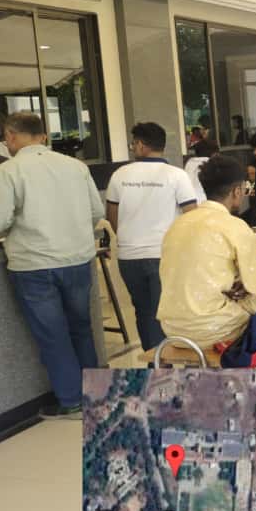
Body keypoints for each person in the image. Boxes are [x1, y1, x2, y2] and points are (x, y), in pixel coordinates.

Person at [0, 112, 103, 418]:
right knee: (81, 328)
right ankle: (98, 396)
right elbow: (96, 211)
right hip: (77, 260)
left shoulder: (5, 172)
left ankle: (72, 400)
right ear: (43, 135)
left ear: (10, 136)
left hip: (33, 265)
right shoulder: (76, 167)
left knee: (53, 335)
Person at [157, 155, 256, 348]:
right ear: (237, 191)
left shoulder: (177, 225)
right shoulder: (236, 227)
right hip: (214, 330)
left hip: (172, 329)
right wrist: (238, 302)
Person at [106, 122, 197, 350]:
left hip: (129, 257)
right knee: (164, 312)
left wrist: (130, 236)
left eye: (133, 144)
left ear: (140, 145)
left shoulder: (119, 175)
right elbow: (192, 216)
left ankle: (153, 359)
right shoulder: (177, 176)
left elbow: (112, 217)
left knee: (143, 311)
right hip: (164, 255)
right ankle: (164, 360)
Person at [185, 138, 219, 203]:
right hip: (206, 203)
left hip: (188, 203)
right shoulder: (212, 165)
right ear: (214, 154)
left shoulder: (189, 163)